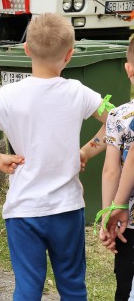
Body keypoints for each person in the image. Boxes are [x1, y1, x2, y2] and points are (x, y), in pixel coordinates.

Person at [0, 13, 109, 301]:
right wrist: (86, 151)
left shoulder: (8, 95)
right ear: (69, 55)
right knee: (73, 285)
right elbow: (115, 120)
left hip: (24, 210)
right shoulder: (78, 92)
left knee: (28, 288)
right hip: (66, 208)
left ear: (26, 50)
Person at [98, 38, 134, 300]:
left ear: (128, 69)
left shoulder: (119, 117)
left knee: (125, 285)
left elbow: (111, 170)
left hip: (127, 224)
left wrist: (108, 215)